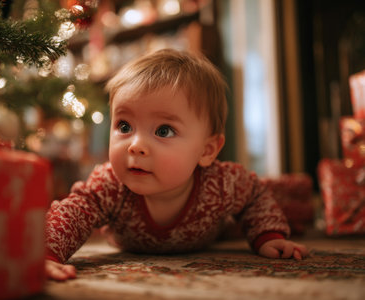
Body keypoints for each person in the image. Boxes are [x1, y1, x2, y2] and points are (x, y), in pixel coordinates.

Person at [45, 49, 309, 280]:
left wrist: (269, 236)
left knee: (282, 202)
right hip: (138, 239)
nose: (136, 145)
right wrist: (47, 254)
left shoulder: (221, 183)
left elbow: (254, 195)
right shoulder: (109, 184)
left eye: (163, 131)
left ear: (207, 151)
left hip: (214, 230)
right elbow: (73, 213)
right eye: (124, 126)